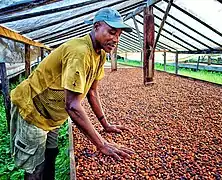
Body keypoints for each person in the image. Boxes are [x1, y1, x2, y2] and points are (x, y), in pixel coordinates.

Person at [10, 7, 133, 180]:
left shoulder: (100, 54)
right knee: (35, 168)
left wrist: (105, 124)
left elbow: (92, 91)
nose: (116, 39)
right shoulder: (79, 52)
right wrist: (101, 144)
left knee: (51, 154)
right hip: (34, 111)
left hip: (52, 116)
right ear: (96, 26)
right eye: (112, 32)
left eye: (119, 35)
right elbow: (72, 106)